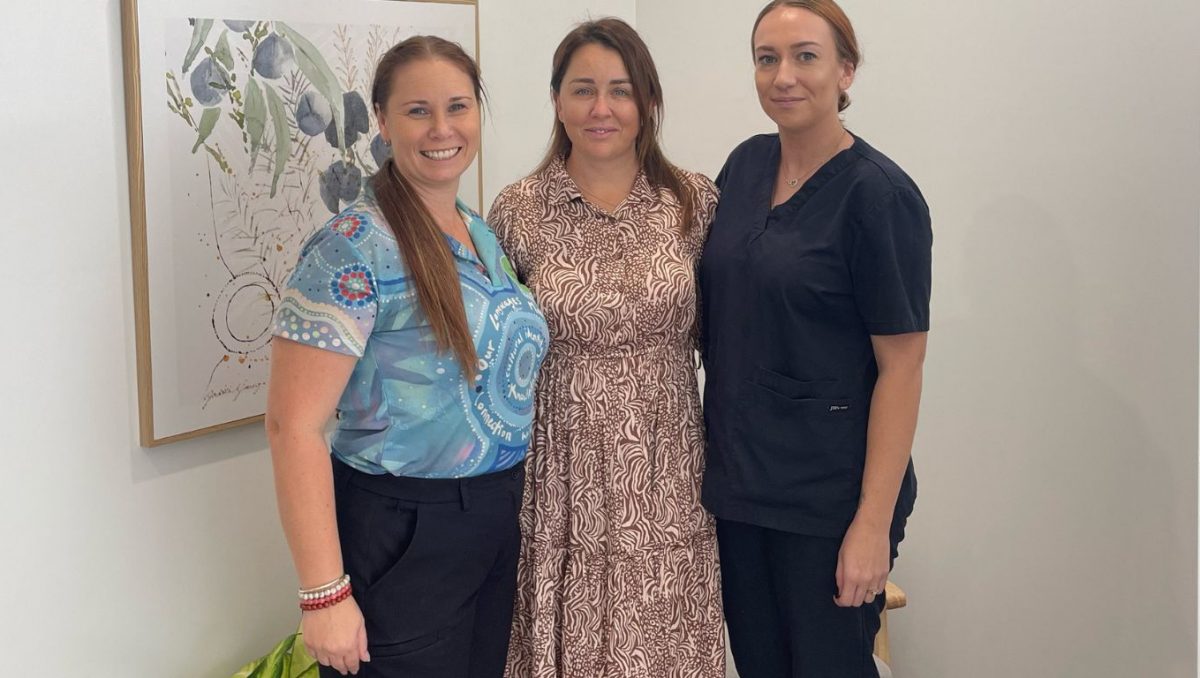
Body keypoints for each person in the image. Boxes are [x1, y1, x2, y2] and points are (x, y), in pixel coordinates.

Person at [264, 36, 548, 678]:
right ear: (384, 122)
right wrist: (324, 594)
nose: (442, 129)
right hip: (402, 529)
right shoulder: (352, 248)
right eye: (418, 111)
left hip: (495, 517)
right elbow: (292, 426)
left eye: (458, 106)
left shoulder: (481, 233)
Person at [698, 1, 932, 676]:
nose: (783, 75)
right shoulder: (745, 166)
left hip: (829, 499)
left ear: (845, 71)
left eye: (805, 56)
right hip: (743, 486)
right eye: (767, 58)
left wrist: (870, 525)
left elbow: (903, 369)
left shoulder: (879, 197)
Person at [487, 17, 725, 678]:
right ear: (558, 101)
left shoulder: (694, 202)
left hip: (670, 469)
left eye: (620, 91)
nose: (601, 109)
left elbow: (730, 335)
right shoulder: (517, 211)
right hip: (561, 473)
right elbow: (493, 357)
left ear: (648, 103)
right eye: (583, 90)